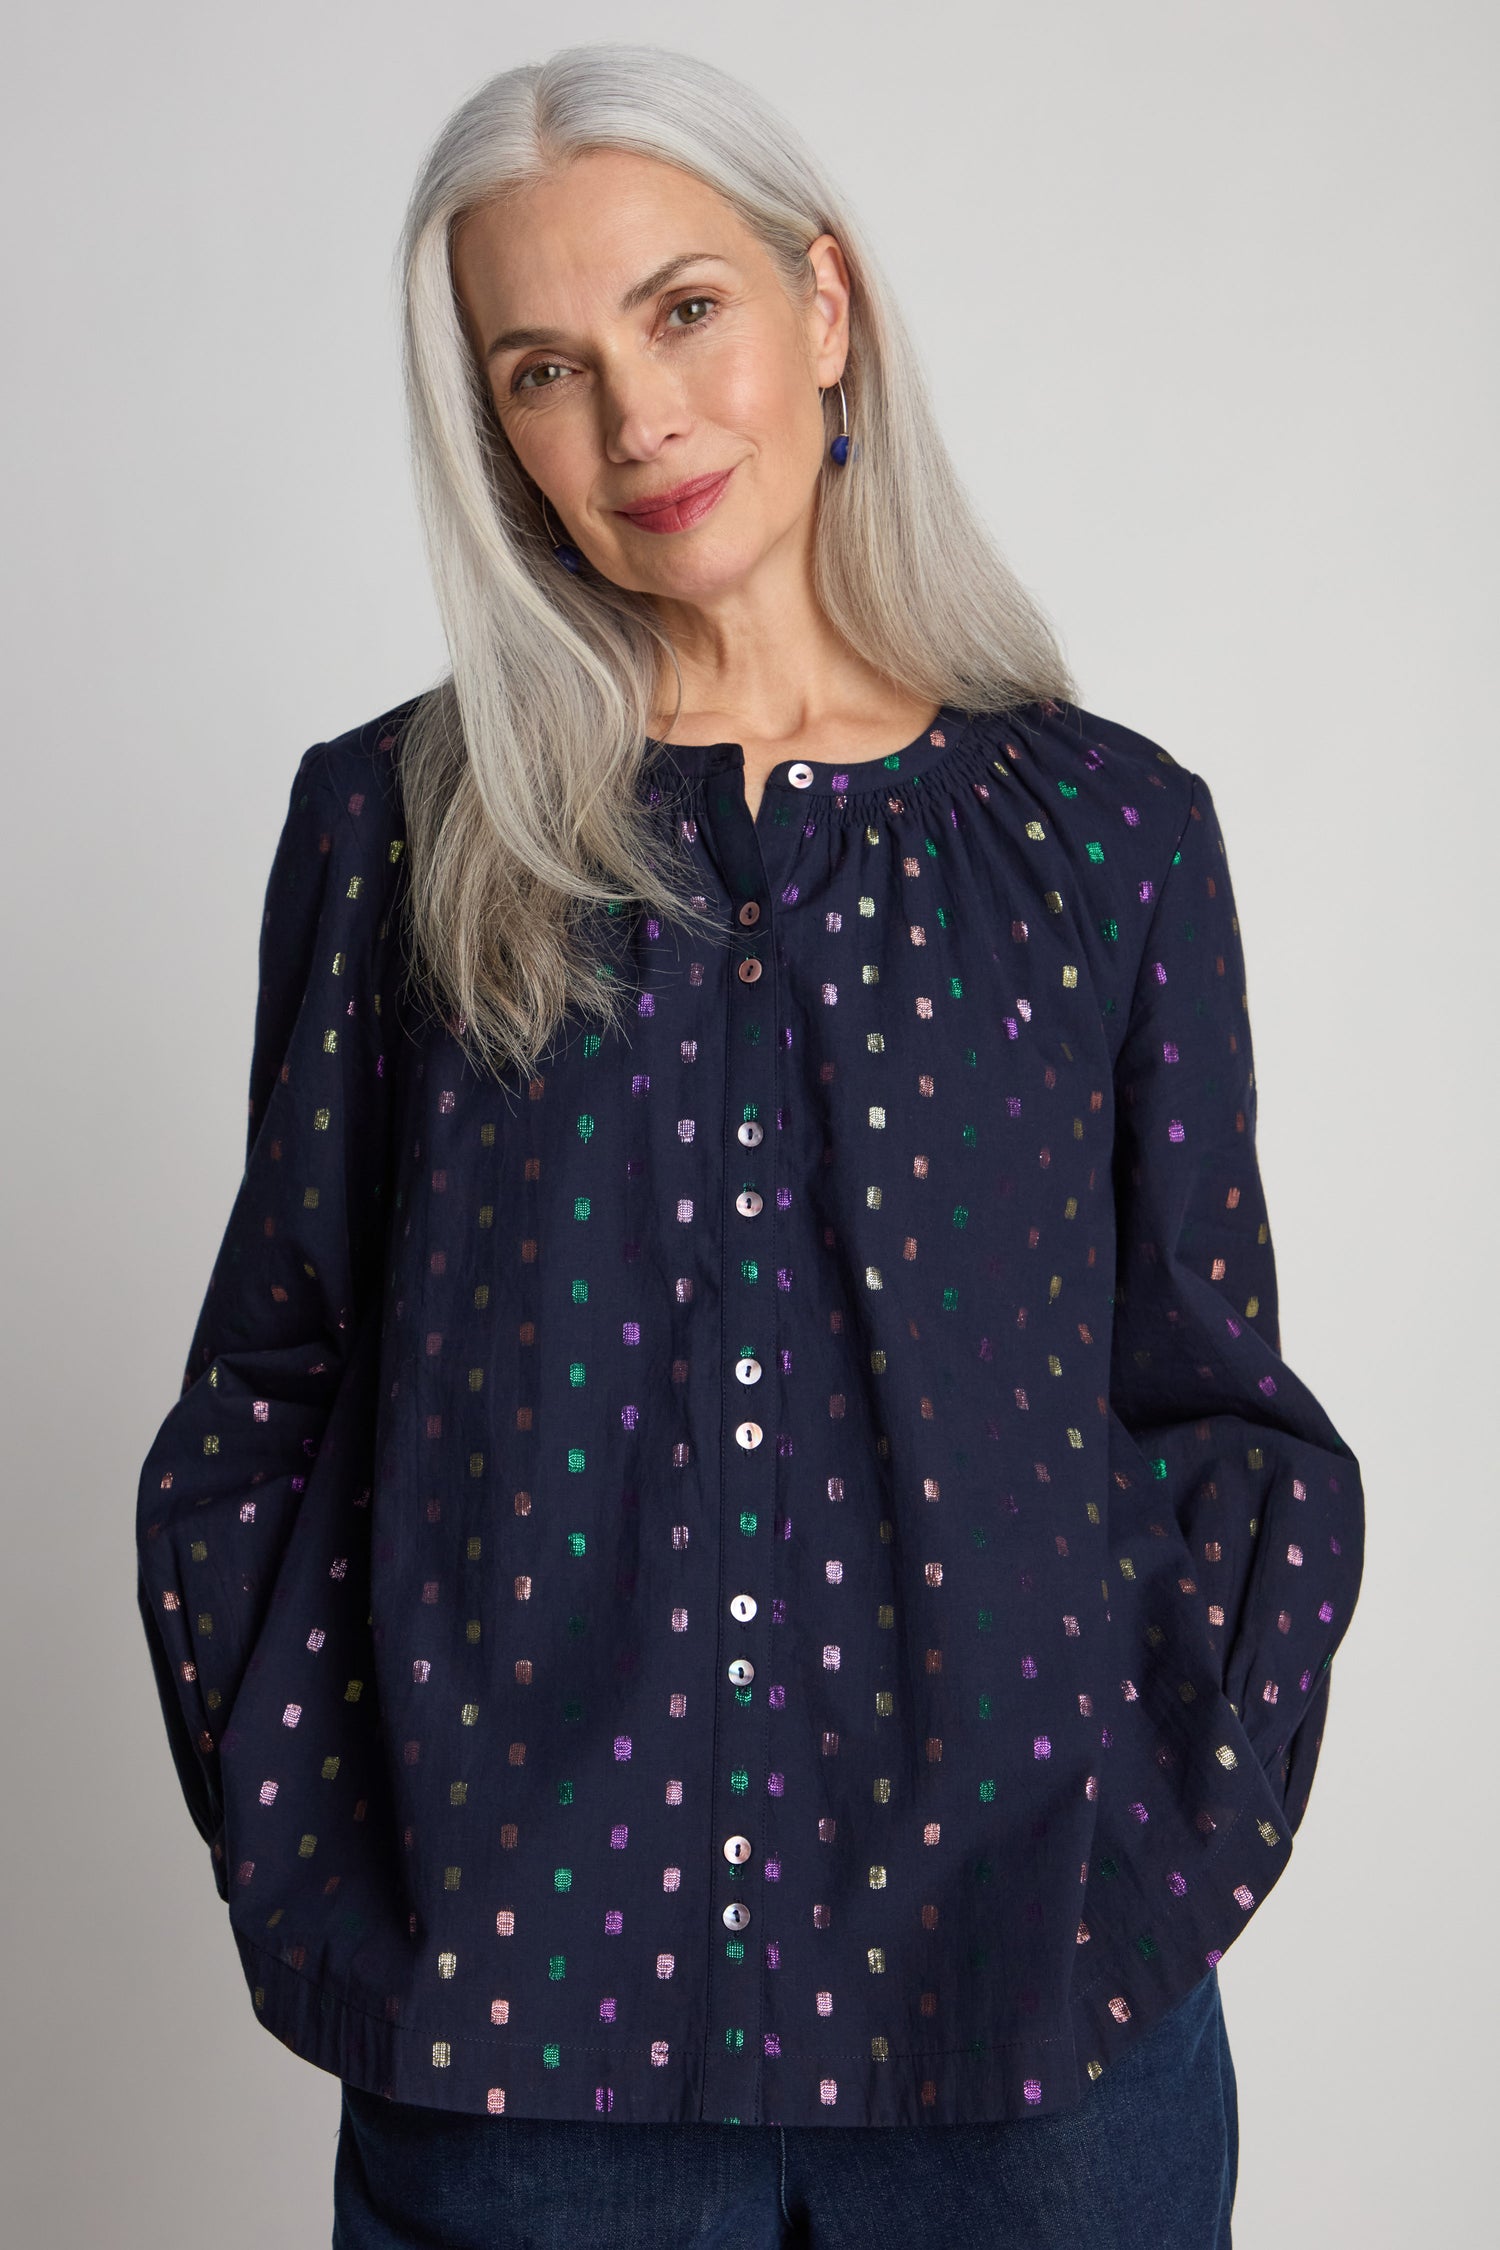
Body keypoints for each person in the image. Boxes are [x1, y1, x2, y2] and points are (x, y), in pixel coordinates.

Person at [133, 40, 1365, 2250]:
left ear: (825, 306)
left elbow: (1211, 1400)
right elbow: (269, 1397)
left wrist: (1154, 1852)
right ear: (493, 432)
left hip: (1039, 2053)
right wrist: (349, 1868)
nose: (637, 419)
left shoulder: (1104, 838)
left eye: (681, 310)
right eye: (541, 366)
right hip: (525, 2070)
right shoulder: (400, 831)